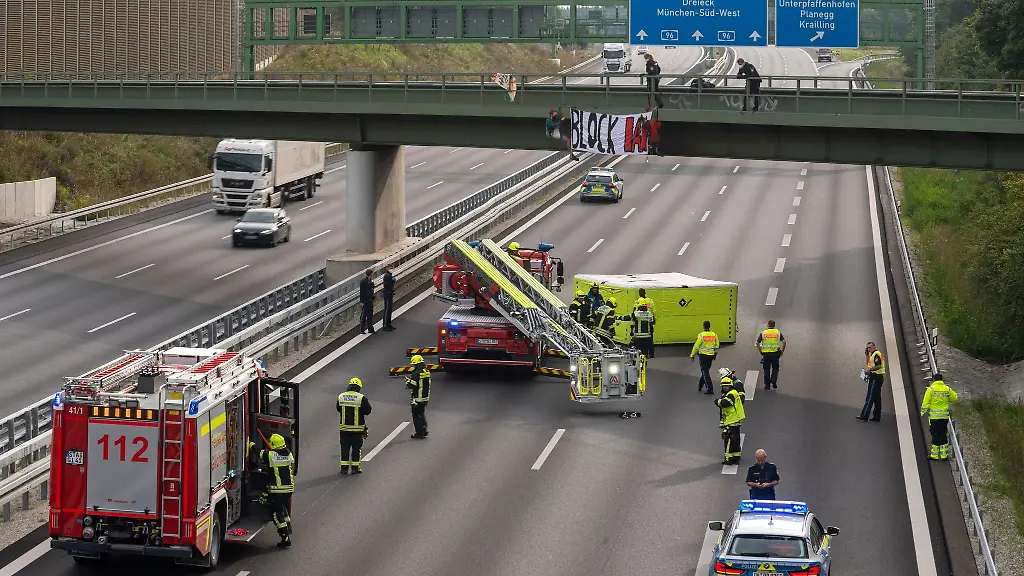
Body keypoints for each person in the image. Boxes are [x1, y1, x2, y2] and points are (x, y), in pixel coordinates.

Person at [257, 433, 295, 548]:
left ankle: (285, 538)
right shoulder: (289, 454)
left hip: (278, 490)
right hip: (289, 490)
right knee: (283, 507)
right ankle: (288, 525)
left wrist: (251, 444)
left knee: (276, 514)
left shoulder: (271, 455)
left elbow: (258, 452)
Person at [337, 377, 372, 474]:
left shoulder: (341, 396)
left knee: (344, 448)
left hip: (344, 429)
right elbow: (368, 411)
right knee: (356, 449)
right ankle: (355, 468)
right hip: (357, 430)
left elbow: (338, 408)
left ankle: (344, 469)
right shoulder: (361, 398)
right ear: (358, 387)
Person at [921, 372, 958, 460]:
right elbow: (954, 398)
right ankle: (944, 455)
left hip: (934, 417)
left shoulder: (931, 389)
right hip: (944, 417)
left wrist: (923, 413)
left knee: (935, 435)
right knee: (943, 434)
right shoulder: (947, 389)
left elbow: (925, 403)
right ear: (942, 380)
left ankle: (934, 455)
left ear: (934, 380)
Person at [715, 376, 745, 465]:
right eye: (723, 386)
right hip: (734, 420)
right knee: (735, 440)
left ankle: (728, 459)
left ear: (730, 386)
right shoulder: (731, 393)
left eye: (727, 386)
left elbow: (726, 403)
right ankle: (736, 458)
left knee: (728, 440)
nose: (725, 387)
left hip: (732, 421)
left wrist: (717, 402)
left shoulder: (731, 394)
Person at [857, 341, 885, 422]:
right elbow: (869, 364)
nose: (868, 349)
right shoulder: (873, 354)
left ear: (874, 346)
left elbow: (878, 366)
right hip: (877, 377)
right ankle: (877, 416)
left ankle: (864, 415)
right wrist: (867, 355)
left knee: (870, 397)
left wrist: (869, 370)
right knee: (876, 398)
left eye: (870, 347)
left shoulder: (876, 354)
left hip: (876, 378)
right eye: (867, 347)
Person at [691, 320, 720, 394]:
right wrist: (710, 348)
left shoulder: (701, 335)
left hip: (703, 356)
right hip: (711, 356)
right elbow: (717, 345)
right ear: (709, 326)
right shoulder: (714, 334)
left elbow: (696, 346)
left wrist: (692, 355)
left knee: (705, 372)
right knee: (705, 371)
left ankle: (710, 389)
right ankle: (700, 386)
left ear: (703, 326)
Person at [755, 320, 786, 390]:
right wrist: (782, 351)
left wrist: (761, 351)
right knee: (775, 368)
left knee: (766, 369)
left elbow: (757, 343)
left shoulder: (763, 333)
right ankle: (774, 380)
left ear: (768, 325)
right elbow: (784, 341)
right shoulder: (778, 332)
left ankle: (767, 385)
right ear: (774, 325)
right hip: (775, 354)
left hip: (766, 354)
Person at [406, 355, 432, 439]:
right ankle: (424, 430)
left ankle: (419, 433)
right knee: (422, 414)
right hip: (425, 397)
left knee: (416, 415)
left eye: (414, 365)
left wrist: (408, 382)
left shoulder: (415, 373)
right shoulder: (426, 371)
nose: (413, 366)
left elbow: (414, 385)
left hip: (417, 398)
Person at [359, 268, 375, 334]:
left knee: (370, 315)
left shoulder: (370, 281)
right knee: (364, 315)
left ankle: (370, 329)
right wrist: (361, 301)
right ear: (370, 274)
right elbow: (362, 292)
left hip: (370, 300)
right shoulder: (363, 282)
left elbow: (371, 290)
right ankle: (362, 329)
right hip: (365, 301)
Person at [381, 267, 396, 331]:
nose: (392, 269)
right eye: (390, 268)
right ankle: (385, 325)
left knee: (389, 310)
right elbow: (393, 280)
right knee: (387, 310)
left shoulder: (389, 275)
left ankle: (389, 324)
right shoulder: (387, 276)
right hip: (387, 295)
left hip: (390, 294)